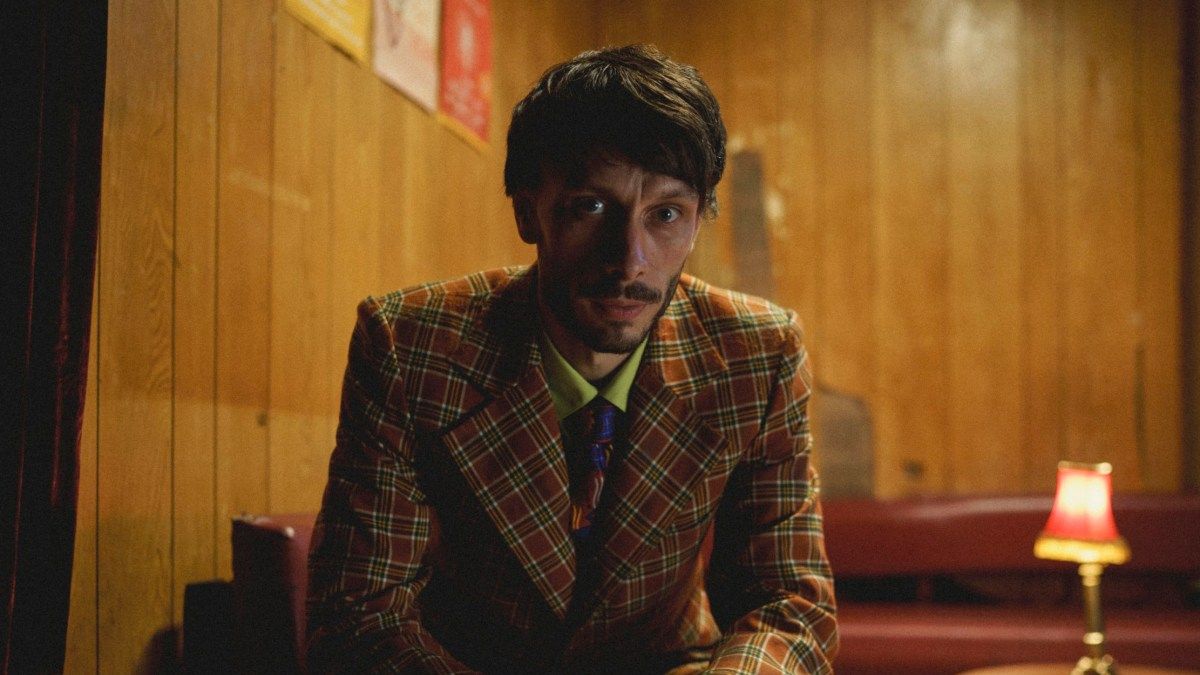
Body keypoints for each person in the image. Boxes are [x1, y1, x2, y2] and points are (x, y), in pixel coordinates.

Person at [306, 44, 837, 674]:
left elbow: (786, 605)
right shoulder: (411, 346)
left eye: (666, 214)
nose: (629, 259)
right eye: (591, 207)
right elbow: (361, 616)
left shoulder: (757, 352)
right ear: (527, 210)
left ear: (698, 223)